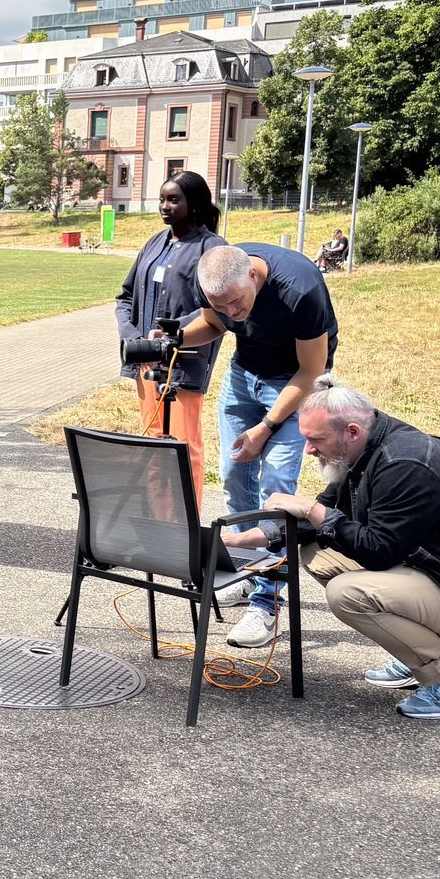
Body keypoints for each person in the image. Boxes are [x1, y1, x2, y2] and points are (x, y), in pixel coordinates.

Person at [224, 376, 440, 719]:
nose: (309, 450)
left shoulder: (404, 464)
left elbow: (377, 550)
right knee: (318, 554)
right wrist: (241, 540)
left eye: (316, 440)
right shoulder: (365, 448)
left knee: (348, 594)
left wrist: (312, 511)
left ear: (352, 431)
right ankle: (415, 655)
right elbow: (324, 515)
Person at [174, 242, 338, 648]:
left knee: (277, 487)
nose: (232, 313)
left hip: (294, 382)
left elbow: (312, 371)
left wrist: (265, 427)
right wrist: (174, 337)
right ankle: (248, 573)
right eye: (222, 305)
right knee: (233, 474)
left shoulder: (300, 290)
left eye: (237, 303)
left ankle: (268, 601)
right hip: (244, 374)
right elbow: (213, 325)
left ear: (252, 275)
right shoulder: (213, 280)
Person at [113, 171, 228, 505]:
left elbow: (219, 309)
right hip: (146, 363)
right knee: (153, 442)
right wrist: (135, 338)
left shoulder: (212, 249)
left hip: (182, 366)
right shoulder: (154, 243)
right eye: (162, 199)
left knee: (182, 445)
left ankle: (186, 522)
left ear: (194, 204)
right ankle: (158, 518)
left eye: (173, 199)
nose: (165, 206)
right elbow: (125, 298)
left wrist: (173, 333)